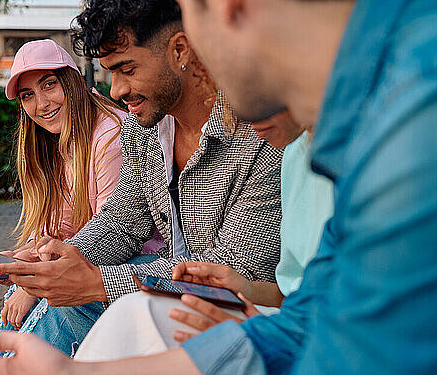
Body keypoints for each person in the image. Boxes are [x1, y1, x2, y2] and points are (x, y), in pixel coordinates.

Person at [0, 0, 437, 374]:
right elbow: (306, 320)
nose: (208, 73)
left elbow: (346, 348)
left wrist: (99, 285)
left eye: (194, 26)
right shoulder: (369, 99)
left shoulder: (399, 116)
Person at [0, 0, 283, 358]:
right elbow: (122, 221)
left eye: (126, 69)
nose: (115, 90)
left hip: (249, 317)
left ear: (180, 50)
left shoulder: (259, 131)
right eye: (109, 72)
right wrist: (59, 258)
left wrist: (98, 284)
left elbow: (228, 275)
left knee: (89, 300)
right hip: (172, 295)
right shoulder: (145, 130)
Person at [68, 109, 333, 360]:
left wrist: (271, 332)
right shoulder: (297, 152)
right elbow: (294, 288)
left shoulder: (282, 147)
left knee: (139, 311)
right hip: (288, 322)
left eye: (127, 69)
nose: (117, 90)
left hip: (317, 341)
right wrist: (248, 289)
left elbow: (343, 318)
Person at [0, 39, 128, 336]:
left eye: (49, 85)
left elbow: (114, 232)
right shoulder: (56, 140)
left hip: (128, 266)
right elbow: (62, 224)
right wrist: (24, 257)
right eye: (28, 95)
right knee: (15, 297)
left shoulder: (111, 134)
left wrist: (37, 282)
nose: (41, 104)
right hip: (85, 256)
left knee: (48, 302)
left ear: (72, 80)